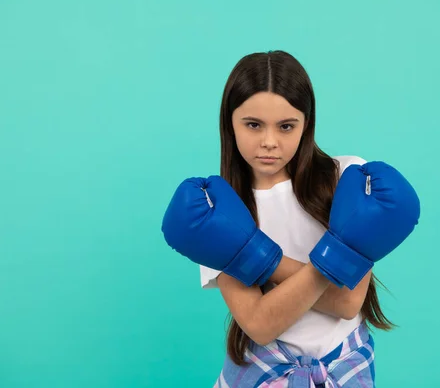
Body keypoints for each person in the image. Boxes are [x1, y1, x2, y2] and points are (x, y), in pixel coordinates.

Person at [162, 50, 420, 387]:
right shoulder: (217, 208)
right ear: (229, 123)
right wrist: (337, 260)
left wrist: (257, 257)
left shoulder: (345, 178)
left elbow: (348, 302)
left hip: (343, 370)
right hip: (263, 373)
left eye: (286, 126)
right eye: (253, 124)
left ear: (306, 125)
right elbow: (259, 324)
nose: (269, 142)